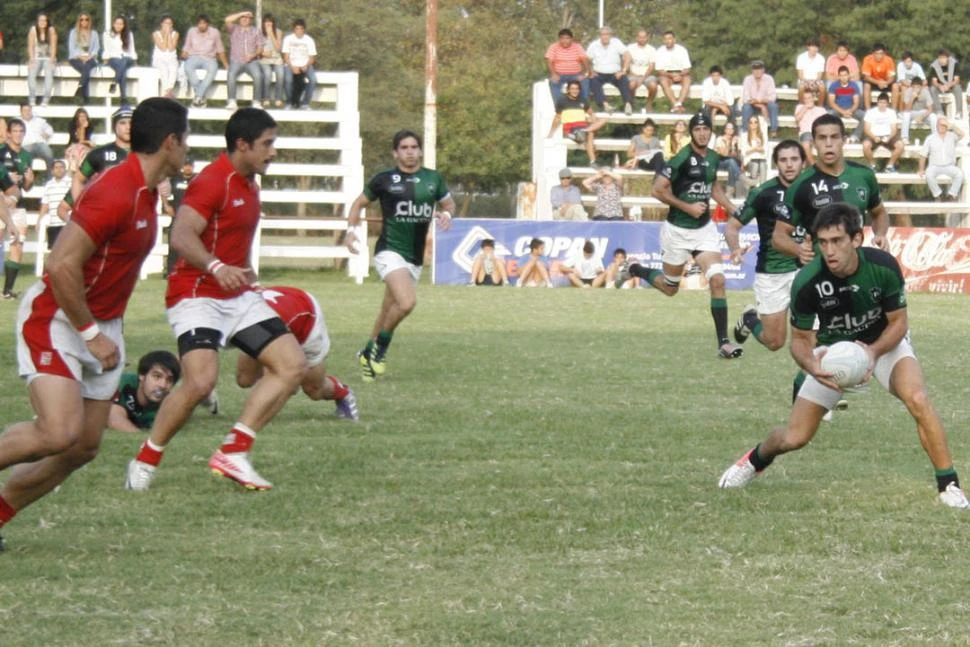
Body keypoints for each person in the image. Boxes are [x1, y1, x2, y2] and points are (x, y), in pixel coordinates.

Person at [0, 98, 188, 550]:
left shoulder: (146, 191)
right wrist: (90, 334)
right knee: (57, 432)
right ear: (169, 142)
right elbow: (62, 265)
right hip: (59, 319)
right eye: (185, 140)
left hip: (102, 325)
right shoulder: (116, 189)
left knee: (82, 447)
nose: (187, 149)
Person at [718, 203, 970, 511]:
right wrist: (811, 364)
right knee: (795, 437)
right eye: (823, 242)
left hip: (884, 342)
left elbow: (899, 323)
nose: (829, 250)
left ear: (856, 240)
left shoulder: (883, 266)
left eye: (837, 241)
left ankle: (949, 485)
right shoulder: (808, 281)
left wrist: (873, 352)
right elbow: (799, 341)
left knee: (917, 398)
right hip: (833, 354)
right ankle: (754, 460)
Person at [125, 107, 307, 493]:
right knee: (200, 383)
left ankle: (235, 450)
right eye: (267, 144)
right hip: (196, 294)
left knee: (292, 366)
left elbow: (229, 236)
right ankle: (145, 459)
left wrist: (239, 269)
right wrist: (216, 265)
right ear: (242, 145)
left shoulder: (249, 182)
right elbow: (181, 235)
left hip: (236, 295)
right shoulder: (213, 181)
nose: (273, 152)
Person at [615, 112, 745, 359]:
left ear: (710, 131)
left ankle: (724, 343)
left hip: (704, 229)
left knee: (717, 280)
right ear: (691, 132)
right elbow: (657, 190)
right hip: (677, 231)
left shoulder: (714, 157)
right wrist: (687, 207)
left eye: (706, 129)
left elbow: (713, 186)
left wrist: (731, 208)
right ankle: (635, 269)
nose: (702, 133)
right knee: (670, 288)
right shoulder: (681, 158)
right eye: (698, 129)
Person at [345, 130, 455, 382]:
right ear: (396, 152)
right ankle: (381, 349)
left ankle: (366, 353)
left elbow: (448, 204)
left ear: (419, 151)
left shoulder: (433, 179)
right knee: (406, 303)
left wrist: (446, 215)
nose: (410, 151)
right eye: (404, 147)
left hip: (414, 257)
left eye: (414, 147)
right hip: (390, 251)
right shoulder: (384, 179)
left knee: (388, 309)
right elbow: (358, 204)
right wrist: (350, 232)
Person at [774, 113, 890, 264]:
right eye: (822, 138)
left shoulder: (864, 175)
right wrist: (798, 250)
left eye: (834, 137)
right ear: (814, 143)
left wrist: (880, 233)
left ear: (844, 140)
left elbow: (879, 212)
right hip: (820, 272)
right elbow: (779, 235)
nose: (828, 144)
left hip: (856, 268)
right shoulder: (801, 185)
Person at [726, 139, 806, 351]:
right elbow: (732, 227)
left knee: (812, 337)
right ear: (776, 163)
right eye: (783, 160)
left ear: (803, 163)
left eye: (794, 159)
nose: (789, 165)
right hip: (773, 273)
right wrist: (735, 248)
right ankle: (750, 320)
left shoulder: (814, 189)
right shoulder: (763, 193)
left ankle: (810, 381)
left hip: (806, 270)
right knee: (774, 342)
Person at [236, 285, 359, 421]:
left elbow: (279, 376)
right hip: (274, 315)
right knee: (244, 379)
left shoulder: (261, 321)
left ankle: (343, 393)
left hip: (306, 318)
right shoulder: (234, 311)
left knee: (313, 389)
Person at [60, 105, 133, 224]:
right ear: (115, 126)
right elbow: (78, 179)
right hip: (107, 218)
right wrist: (81, 215)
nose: (128, 127)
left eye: (131, 122)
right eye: (123, 123)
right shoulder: (99, 154)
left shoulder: (146, 154)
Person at [0, 118, 34, 299]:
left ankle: (7, 291)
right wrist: (7, 181)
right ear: (8, 134)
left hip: (18, 204)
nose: (18, 134)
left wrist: (29, 181)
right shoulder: (1, 152)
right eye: (15, 131)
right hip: (1, 202)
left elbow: (27, 187)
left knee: (18, 244)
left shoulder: (27, 156)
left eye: (21, 131)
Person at [108, 351, 182, 432]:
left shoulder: (168, 407)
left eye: (169, 380)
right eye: (157, 376)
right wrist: (139, 437)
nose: (163, 385)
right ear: (142, 375)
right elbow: (113, 418)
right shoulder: (125, 384)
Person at [547, 80, 607, 167]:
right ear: (568, 90)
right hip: (571, 128)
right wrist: (551, 133)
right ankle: (593, 161)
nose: (575, 91)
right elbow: (557, 118)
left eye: (577, 89)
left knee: (603, 120)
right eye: (572, 89)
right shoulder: (562, 101)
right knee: (590, 134)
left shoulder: (583, 100)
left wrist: (590, 119)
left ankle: (584, 132)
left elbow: (592, 114)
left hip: (583, 126)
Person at [182, 14, 228, 107]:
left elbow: (220, 49)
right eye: (199, 24)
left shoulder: (214, 32)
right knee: (187, 67)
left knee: (213, 69)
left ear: (207, 24)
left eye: (203, 23)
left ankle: (198, 96)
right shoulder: (192, 31)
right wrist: (184, 52)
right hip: (194, 56)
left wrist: (226, 64)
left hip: (209, 58)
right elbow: (187, 45)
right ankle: (200, 96)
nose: (201, 25)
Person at [918, 116, 965, 202]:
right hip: (935, 166)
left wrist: (953, 126)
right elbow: (923, 155)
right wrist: (921, 169)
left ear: (947, 126)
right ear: (936, 126)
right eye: (940, 125)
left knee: (960, 174)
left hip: (949, 165)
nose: (942, 127)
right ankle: (938, 195)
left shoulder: (952, 136)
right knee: (928, 174)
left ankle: (952, 195)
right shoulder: (930, 138)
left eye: (944, 125)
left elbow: (962, 134)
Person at [586, 26, 632, 114]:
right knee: (593, 81)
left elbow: (627, 55)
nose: (605, 37)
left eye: (607, 34)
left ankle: (627, 105)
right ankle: (606, 105)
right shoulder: (594, 45)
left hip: (615, 73)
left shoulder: (616, 42)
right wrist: (590, 71)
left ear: (611, 35)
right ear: (600, 36)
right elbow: (586, 59)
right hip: (599, 73)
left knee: (624, 79)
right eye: (603, 34)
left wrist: (623, 70)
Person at [224, 10, 264, 110]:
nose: (245, 19)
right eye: (243, 17)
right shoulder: (234, 29)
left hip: (252, 61)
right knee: (231, 74)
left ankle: (256, 101)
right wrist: (242, 13)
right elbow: (227, 20)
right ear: (239, 19)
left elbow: (260, 48)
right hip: (236, 60)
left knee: (258, 75)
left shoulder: (256, 31)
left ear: (251, 20)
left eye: (248, 18)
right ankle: (232, 100)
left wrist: (253, 55)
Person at [544, 28, 591, 105]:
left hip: (575, 75)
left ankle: (583, 106)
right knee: (553, 82)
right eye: (562, 38)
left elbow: (584, 60)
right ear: (559, 39)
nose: (565, 40)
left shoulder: (577, 47)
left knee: (584, 82)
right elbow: (549, 62)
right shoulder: (553, 47)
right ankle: (561, 107)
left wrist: (586, 73)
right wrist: (553, 74)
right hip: (559, 75)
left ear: (571, 39)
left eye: (567, 38)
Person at [862, 92, 904, 173]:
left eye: (884, 102)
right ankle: (872, 165)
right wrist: (874, 137)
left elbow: (894, 129)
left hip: (888, 135)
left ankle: (890, 166)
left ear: (887, 104)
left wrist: (889, 137)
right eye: (880, 102)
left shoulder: (891, 112)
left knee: (900, 145)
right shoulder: (870, 112)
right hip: (874, 135)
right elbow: (866, 128)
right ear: (877, 103)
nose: (882, 104)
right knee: (865, 145)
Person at [282, 19, 317, 110]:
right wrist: (292, 66)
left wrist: (306, 66)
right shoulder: (288, 39)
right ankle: (289, 102)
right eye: (297, 29)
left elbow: (312, 58)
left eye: (301, 29)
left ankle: (305, 103)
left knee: (313, 80)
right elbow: (286, 57)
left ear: (304, 29)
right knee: (288, 80)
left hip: (305, 64)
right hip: (290, 64)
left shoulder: (309, 40)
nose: (299, 31)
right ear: (294, 29)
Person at [654, 31, 691, 113]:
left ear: (674, 39)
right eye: (666, 39)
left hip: (681, 74)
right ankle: (675, 104)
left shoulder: (682, 50)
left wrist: (679, 75)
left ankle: (679, 103)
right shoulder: (660, 51)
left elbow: (687, 69)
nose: (668, 41)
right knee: (663, 80)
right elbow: (659, 70)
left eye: (670, 38)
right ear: (663, 40)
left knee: (687, 79)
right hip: (667, 75)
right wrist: (672, 75)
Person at [826, 65, 866, 143]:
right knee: (828, 115)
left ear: (848, 75)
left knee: (865, 116)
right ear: (838, 76)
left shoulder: (854, 86)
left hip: (851, 109)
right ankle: (836, 136)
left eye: (845, 75)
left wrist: (849, 111)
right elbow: (832, 103)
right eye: (841, 75)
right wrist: (842, 112)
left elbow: (856, 102)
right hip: (838, 109)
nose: (843, 77)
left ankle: (855, 136)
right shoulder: (834, 86)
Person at [102, 15, 138, 102]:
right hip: (113, 58)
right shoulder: (107, 34)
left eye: (121, 24)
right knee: (122, 68)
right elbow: (107, 48)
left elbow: (132, 49)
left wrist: (135, 60)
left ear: (124, 25)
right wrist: (105, 58)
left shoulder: (129, 34)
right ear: (113, 24)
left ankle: (114, 83)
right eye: (117, 23)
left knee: (124, 61)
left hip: (127, 58)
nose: (118, 26)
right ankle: (123, 97)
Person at [741, 60, 780, 137]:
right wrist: (761, 106)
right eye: (755, 69)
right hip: (752, 105)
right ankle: (746, 132)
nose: (757, 71)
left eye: (759, 69)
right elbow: (746, 98)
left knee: (773, 106)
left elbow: (772, 97)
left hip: (766, 104)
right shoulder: (747, 80)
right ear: (752, 70)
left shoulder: (769, 79)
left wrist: (760, 102)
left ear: (763, 70)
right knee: (746, 107)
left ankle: (773, 131)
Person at [38, 159, 71, 248]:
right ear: (52, 171)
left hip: (67, 222)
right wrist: (39, 220)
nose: (59, 169)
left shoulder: (70, 183)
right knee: (54, 249)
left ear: (65, 169)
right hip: (53, 223)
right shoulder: (48, 185)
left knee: (67, 249)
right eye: (56, 168)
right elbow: (45, 204)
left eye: (61, 167)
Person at [26, 13, 57, 107]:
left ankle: (46, 99)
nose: (42, 22)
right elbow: (30, 46)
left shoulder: (51, 30)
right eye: (40, 20)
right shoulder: (33, 30)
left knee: (49, 75)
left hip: (48, 57)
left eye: (44, 20)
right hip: (36, 57)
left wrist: (52, 59)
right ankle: (32, 98)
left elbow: (54, 46)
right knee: (31, 74)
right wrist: (31, 59)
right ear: (37, 21)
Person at [68, 12, 100, 103]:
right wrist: (80, 57)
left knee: (87, 67)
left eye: (86, 19)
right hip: (76, 58)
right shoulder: (73, 32)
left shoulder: (94, 33)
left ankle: (80, 87)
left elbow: (96, 48)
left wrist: (90, 56)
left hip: (90, 58)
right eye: (81, 19)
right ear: (79, 21)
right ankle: (86, 99)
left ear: (89, 21)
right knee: (85, 70)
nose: (84, 21)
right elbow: (72, 48)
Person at [626, 29, 657, 112]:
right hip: (633, 75)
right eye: (640, 37)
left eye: (644, 37)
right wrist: (632, 74)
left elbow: (651, 67)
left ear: (647, 38)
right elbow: (627, 64)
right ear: (636, 38)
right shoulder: (630, 48)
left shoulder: (651, 49)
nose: (642, 39)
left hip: (647, 75)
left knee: (653, 86)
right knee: (631, 85)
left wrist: (642, 78)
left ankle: (649, 103)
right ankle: (631, 104)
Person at [258, 14, 285, 108]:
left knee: (281, 74)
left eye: (270, 22)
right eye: (266, 22)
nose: (268, 24)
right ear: (263, 23)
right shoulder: (259, 32)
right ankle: (266, 98)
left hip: (276, 58)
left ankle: (278, 98)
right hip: (264, 59)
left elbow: (278, 48)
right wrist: (263, 54)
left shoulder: (278, 32)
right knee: (267, 74)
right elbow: (255, 48)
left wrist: (271, 34)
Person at [860, 43, 898, 110]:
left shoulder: (889, 60)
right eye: (877, 53)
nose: (879, 56)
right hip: (873, 82)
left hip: (885, 83)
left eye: (881, 53)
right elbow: (866, 76)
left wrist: (885, 83)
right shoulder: (867, 59)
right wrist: (878, 82)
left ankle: (893, 111)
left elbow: (892, 77)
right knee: (866, 86)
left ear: (884, 53)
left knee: (895, 86)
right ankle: (868, 111)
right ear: (873, 53)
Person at [794, 88, 827, 164]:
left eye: (809, 98)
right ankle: (814, 166)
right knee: (805, 144)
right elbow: (797, 119)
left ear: (813, 98)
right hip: (806, 132)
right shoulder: (800, 107)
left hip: (818, 133)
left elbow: (826, 123)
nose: (807, 100)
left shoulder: (821, 110)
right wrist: (804, 108)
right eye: (805, 98)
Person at [19, 102, 54, 173]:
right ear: (21, 112)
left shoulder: (39, 121)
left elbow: (49, 129)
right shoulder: (17, 122)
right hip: (26, 145)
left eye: (29, 110)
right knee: (25, 158)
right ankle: (27, 179)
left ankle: (50, 178)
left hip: (40, 144)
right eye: (25, 111)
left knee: (49, 154)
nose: (27, 112)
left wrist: (47, 133)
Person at [928, 49, 963, 119]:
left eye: (943, 58)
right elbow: (934, 81)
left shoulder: (954, 64)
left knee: (958, 88)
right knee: (932, 89)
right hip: (940, 87)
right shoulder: (934, 66)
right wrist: (940, 86)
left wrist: (948, 85)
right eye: (940, 58)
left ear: (947, 58)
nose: (942, 60)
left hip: (951, 85)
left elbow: (957, 80)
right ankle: (939, 111)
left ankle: (959, 112)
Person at [151, 15, 180, 98]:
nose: (168, 25)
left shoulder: (175, 34)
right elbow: (163, 48)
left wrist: (169, 34)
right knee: (163, 69)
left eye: (170, 23)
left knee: (173, 68)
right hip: (159, 59)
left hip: (171, 58)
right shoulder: (156, 34)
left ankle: (169, 90)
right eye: (166, 23)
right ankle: (167, 91)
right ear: (162, 24)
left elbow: (171, 48)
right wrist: (166, 34)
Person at [900, 76, 935, 144]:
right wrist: (912, 98)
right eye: (914, 87)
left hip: (923, 112)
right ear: (911, 87)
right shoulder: (908, 92)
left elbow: (930, 109)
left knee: (933, 116)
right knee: (906, 115)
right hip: (911, 112)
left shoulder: (925, 92)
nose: (916, 89)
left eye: (918, 87)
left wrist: (922, 117)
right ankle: (904, 137)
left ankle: (936, 137)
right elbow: (907, 110)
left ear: (921, 87)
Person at [713, 121, 742, 197]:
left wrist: (734, 145)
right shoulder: (720, 139)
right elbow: (724, 154)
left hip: (732, 163)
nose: (730, 130)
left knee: (731, 165)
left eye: (732, 128)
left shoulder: (736, 139)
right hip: (720, 162)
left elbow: (737, 155)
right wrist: (730, 144)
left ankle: (729, 191)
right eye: (728, 128)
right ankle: (742, 178)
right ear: (724, 130)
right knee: (731, 162)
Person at [741, 114, 768, 186]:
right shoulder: (744, 135)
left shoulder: (763, 135)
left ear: (758, 124)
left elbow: (765, 151)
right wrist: (755, 149)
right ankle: (753, 186)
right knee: (755, 163)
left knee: (762, 164)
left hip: (761, 160)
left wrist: (753, 150)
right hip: (749, 161)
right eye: (751, 122)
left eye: (755, 122)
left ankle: (763, 187)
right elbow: (744, 152)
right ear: (748, 124)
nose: (753, 124)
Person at [65, 108, 95, 173]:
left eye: (84, 116)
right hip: (74, 146)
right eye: (80, 116)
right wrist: (82, 127)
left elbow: (86, 139)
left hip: (85, 147)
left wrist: (84, 128)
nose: (83, 118)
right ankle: (75, 172)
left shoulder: (90, 126)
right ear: (77, 117)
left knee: (84, 152)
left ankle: (83, 172)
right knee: (76, 151)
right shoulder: (72, 125)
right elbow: (79, 140)